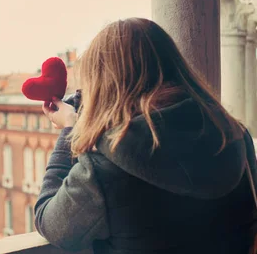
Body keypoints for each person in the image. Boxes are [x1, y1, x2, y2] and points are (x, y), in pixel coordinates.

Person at [34, 18, 257, 254]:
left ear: (104, 86)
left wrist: (71, 130)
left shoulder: (101, 171)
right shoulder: (234, 136)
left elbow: (49, 221)